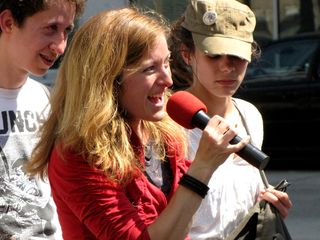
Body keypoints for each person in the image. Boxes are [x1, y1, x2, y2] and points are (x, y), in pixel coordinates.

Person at [25, 7, 249, 240]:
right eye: (150, 68)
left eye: (167, 63)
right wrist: (202, 167)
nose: (168, 80)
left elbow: (183, 223)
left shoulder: (165, 132)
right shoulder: (77, 154)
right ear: (108, 79)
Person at [169, 0, 293, 239]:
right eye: (214, 55)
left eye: (238, 55)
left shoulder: (250, 115)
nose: (227, 67)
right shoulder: (167, 123)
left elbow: (232, 202)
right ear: (187, 54)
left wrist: (268, 206)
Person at [0, 0, 85, 238]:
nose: (60, 46)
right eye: (51, 28)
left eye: (67, 31)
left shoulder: (44, 98)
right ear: (8, 22)